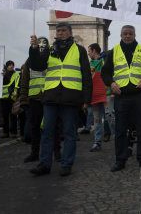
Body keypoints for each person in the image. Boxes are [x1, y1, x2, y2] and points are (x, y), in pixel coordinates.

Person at [29, 23, 92, 177]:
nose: (60, 33)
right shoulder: (49, 50)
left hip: (71, 97)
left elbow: (86, 75)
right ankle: (44, 164)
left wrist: (86, 99)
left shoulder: (80, 50)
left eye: (64, 30)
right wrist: (34, 49)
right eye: (58, 31)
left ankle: (66, 164)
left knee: (69, 133)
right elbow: (37, 65)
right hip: (51, 96)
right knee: (47, 132)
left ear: (70, 33)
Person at [102, 25, 141, 172]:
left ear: (134, 35)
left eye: (130, 34)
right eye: (125, 33)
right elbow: (105, 73)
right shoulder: (113, 52)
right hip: (122, 96)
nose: (127, 36)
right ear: (120, 35)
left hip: (140, 95)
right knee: (120, 130)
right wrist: (111, 83)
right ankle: (120, 160)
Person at [18, 36, 48, 163]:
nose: (41, 49)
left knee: (51, 128)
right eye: (39, 46)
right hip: (34, 98)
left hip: (48, 98)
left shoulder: (51, 60)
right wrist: (23, 99)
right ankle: (35, 153)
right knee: (35, 128)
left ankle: (55, 152)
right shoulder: (29, 62)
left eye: (43, 47)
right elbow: (24, 81)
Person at [87, 43, 107, 152]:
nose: (88, 53)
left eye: (89, 50)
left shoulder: (104, 62)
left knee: (110, 117)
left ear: (94, 50)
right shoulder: (89, 64)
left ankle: (119, 138)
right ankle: (97, 142)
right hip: (94, 95)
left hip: (105, 94)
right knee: (97, 120)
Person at [0, 60, 19, 138]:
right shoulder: (2, 75)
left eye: (12, 65)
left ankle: (14, 132)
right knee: (5, 116)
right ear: (7, 66)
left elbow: (17, 85)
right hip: (4, 98)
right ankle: (5, 132)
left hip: (12, 98)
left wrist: (15, 94)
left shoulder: (16, 74)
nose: (11, 66)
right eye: (9, 65)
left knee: (13, 116)